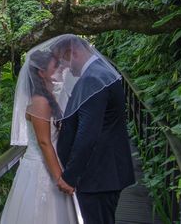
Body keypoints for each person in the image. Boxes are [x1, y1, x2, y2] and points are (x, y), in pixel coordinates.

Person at [53, 34, 135, 224]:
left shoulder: (93, 79)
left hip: (98, 176)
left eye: (64, 61)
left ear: (73, 53)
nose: (65, 68)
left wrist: (70, 176)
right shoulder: (100, 73)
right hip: (102, 174)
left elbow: (88, 134)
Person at [1, 43, 78, 224]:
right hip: (40, 169)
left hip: (49, 163)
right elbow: (44, 143)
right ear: (42, 73)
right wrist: (60, 178)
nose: (60, 68)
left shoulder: (47, 98)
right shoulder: (40, 101)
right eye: (55, 66)